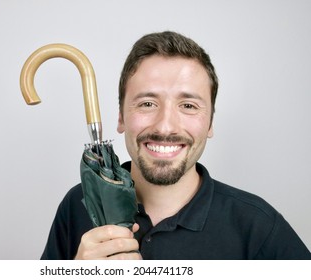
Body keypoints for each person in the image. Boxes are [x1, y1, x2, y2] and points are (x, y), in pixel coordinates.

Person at [40, 31, 310, 260]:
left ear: (210, 122)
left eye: (188, 106)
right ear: (121, 117)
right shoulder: (77, 205)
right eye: (147, 103)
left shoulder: (258, 225)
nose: (165, 126)